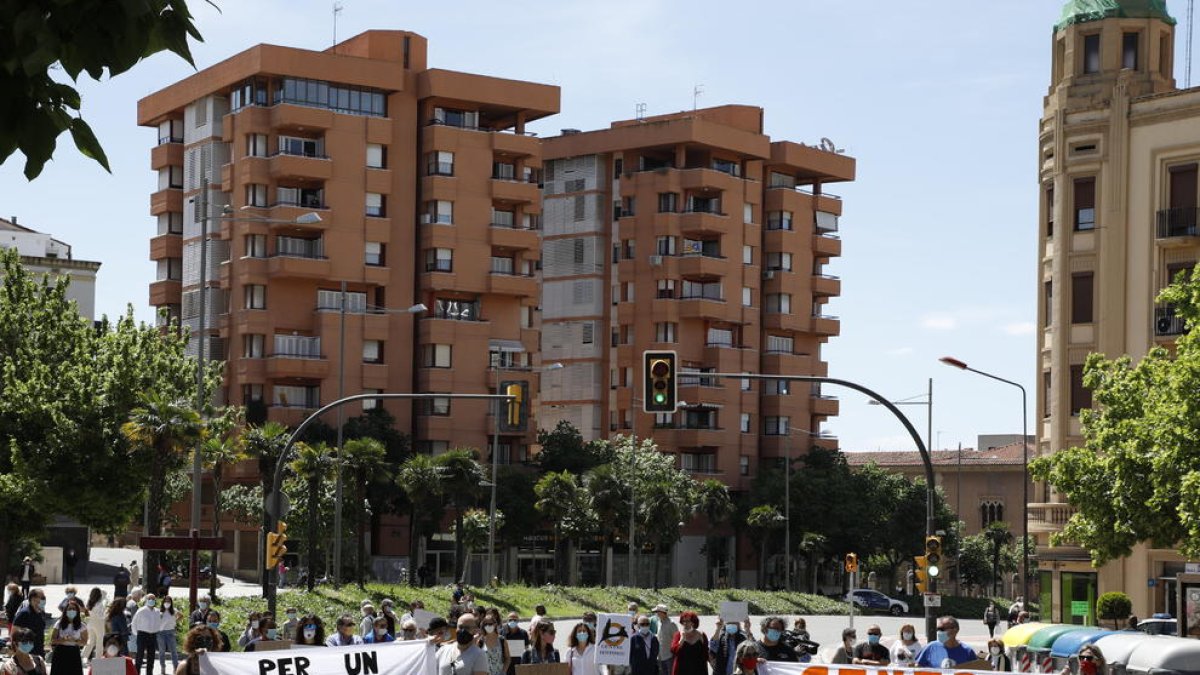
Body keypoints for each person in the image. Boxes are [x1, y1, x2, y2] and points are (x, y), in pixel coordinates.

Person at [52, 597, 89, 675]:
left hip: (74, 653)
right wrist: (63, 639)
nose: (72, 611)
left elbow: (84, 642)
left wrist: (74, 640)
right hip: (60, 652)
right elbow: (53, 640)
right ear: (65, 611)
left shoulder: (82, 626)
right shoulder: (59, 623)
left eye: (74, 609)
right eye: (69, 609)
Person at [131, 594, 162, 675]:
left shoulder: (157, 611)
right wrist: (137, 635)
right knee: (139, 657)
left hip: (153, 636)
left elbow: (159, 623)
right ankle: (137, 673)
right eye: (149, 599)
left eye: (153, 599)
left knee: (151, 658)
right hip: (142, 635)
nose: (151, 600)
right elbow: (134, 623)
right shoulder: (141, 611)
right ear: (146, 600)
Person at [13, 588, 48, 657]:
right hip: (27, 652)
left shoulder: (41, 613)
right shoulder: (24, 613)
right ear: (33, 599)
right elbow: (14, 633)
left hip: (39, 651)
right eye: (42, 598)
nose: (44, 600)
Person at [83, 588, 108, 662]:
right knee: (99, 642)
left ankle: (83, 657)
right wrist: (107, 614)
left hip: (90, 623)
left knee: (90, 642)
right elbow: (101, 616)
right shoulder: (99, 604)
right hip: (99, 623)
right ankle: (98, 659)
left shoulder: (89, 602)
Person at [157, 596, 180, 674]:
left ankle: (175, 667)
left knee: (173, 651)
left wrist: (175, 622)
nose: (167, 603)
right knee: (162, 651)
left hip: (170, 632)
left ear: (171, 603)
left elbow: (181, 616)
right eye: (165, 601)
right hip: (161, 633)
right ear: (163, 602)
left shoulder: (174, 610)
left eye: (169, 601)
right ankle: (163, 667)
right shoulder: (159, 611)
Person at [653, 605, 677, 675]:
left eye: (657, 612)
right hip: (660, 656)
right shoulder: (659, 622)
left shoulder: (672, 624)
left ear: (662, 612)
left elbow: (676, 639)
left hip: (669, 656)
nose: (656, 614)